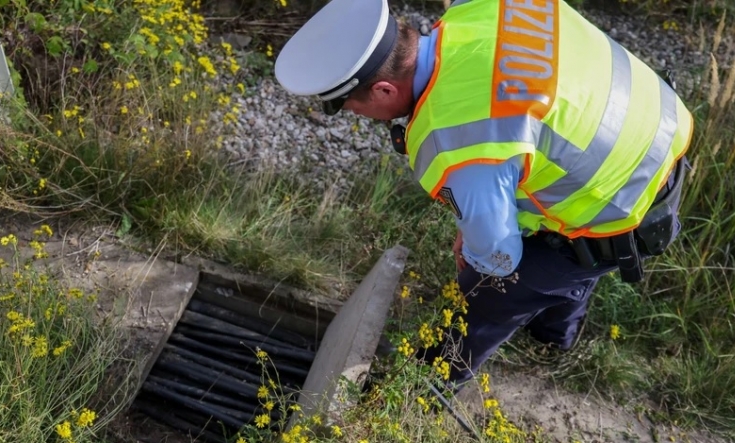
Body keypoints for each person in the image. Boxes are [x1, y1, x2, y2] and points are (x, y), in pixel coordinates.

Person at [274, 0, 694, 390]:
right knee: (563, 267)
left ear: (384, 90)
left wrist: (474, 244)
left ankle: (424, 387)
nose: (354, 115)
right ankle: (554, 338)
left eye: (349, 106)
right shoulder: (476, 6)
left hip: (619, 204)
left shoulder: (450, 141)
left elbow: (500, 256)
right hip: (658, 122)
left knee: (491, 293)